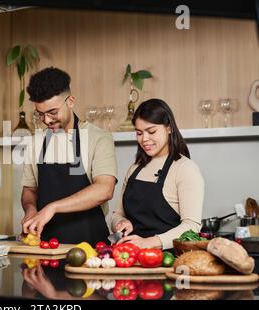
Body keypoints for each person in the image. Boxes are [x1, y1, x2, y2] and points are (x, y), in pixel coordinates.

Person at [21, 67, 117, 246]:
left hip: (91, 247)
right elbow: (29, 190)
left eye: (53, 112)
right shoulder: (36, 142)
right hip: (46, 245)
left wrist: (53, 207)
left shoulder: (99, 138)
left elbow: (105, 189)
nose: (47, 120)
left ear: (70, 101)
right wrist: (30, 209)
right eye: (40, 114)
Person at [111, 98, 204, 250]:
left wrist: (148, 242)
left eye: (151, 131)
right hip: (129, 256)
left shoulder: (185, 169)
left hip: (167, 260)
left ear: (169, 128)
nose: (144, 139)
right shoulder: (135, 168)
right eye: (139, 133)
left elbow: (191, 226)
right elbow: (117, 214)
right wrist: (120, 223)